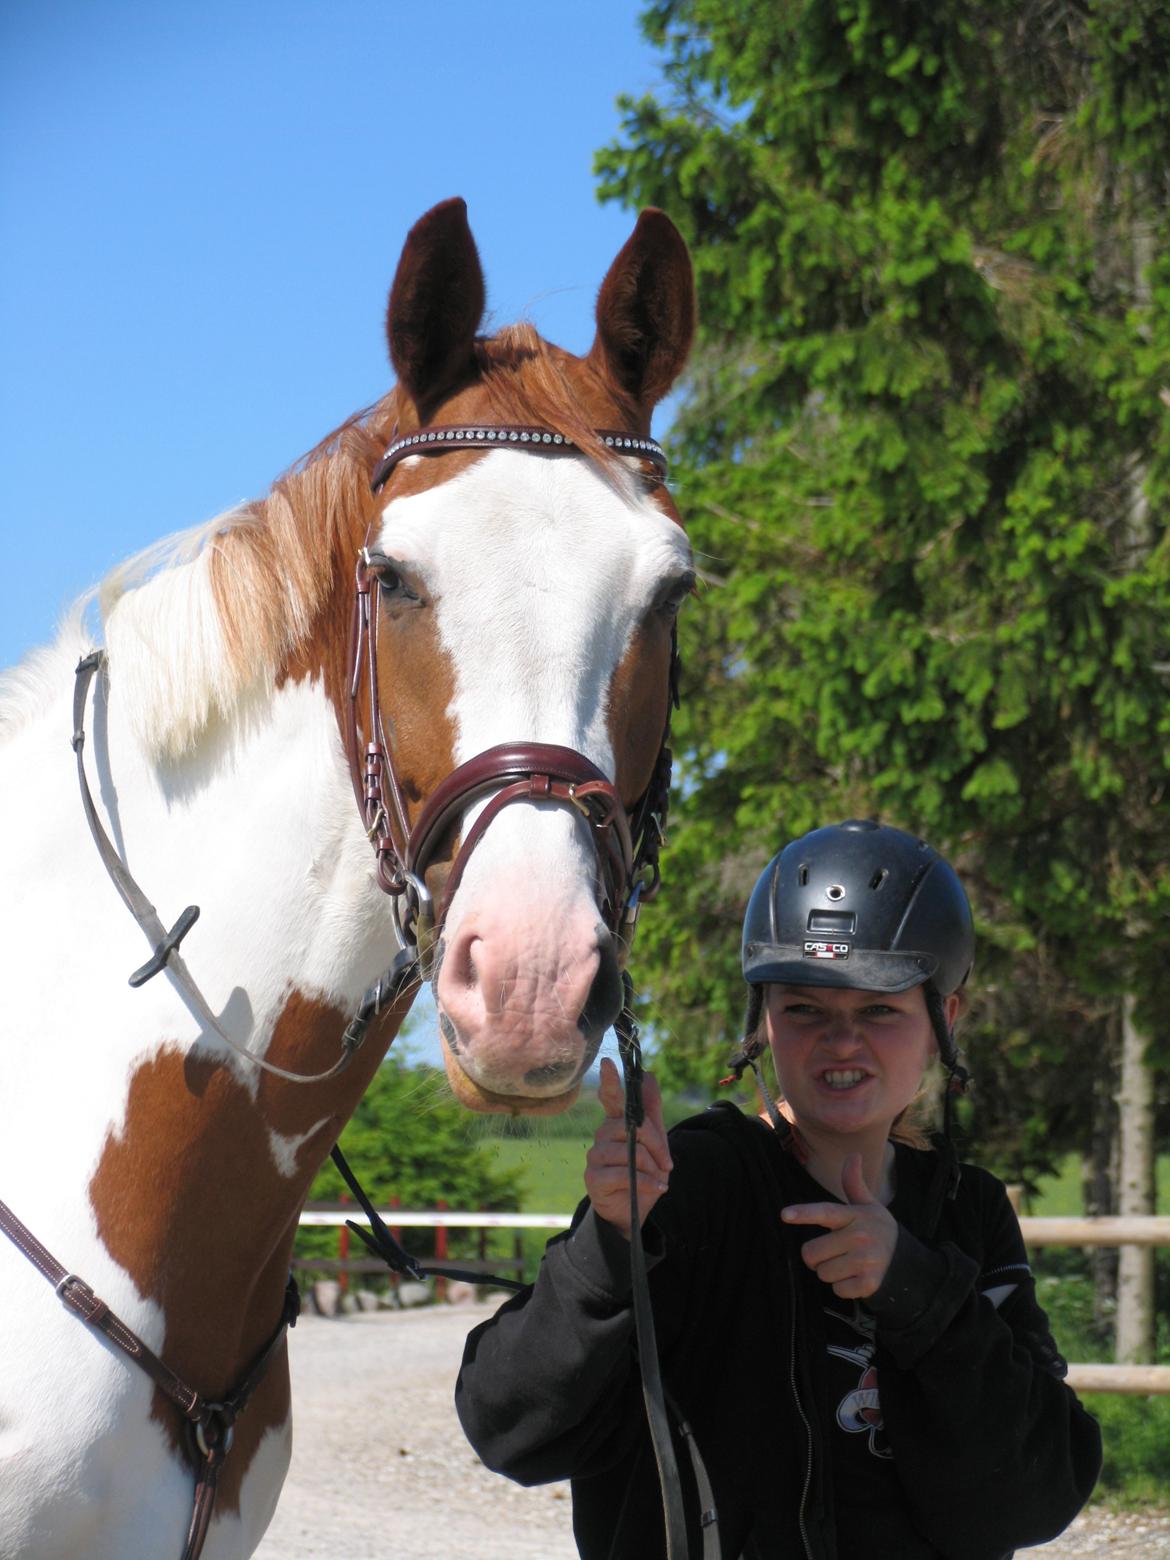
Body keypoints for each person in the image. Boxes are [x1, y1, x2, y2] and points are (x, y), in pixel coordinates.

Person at [456, 820, 1102, 1558]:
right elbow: (507, 1428)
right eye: (805, 1010)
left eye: (880, 1010)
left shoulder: (966, 1211)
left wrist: (915, 1290)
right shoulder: (690, 1187)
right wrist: (610, 1246)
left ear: (943, 1019)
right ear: (762, 1021)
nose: (842, 1041)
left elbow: (1039, 1494)